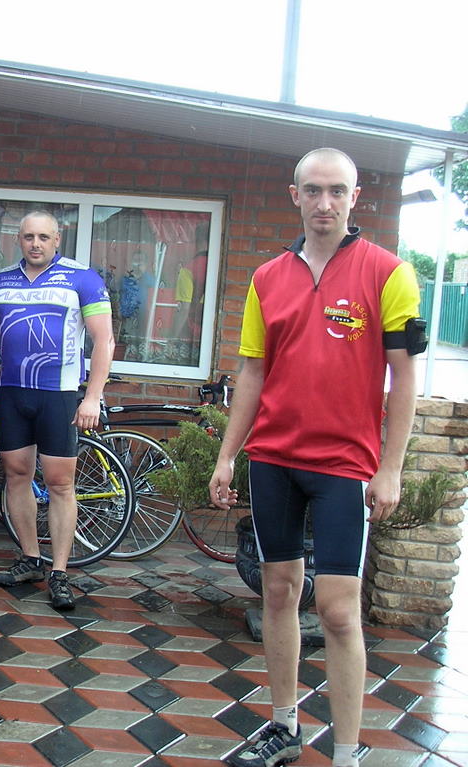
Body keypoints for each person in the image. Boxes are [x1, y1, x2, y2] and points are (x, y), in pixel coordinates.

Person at [209, 148, 422, 767]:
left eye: (336, 191)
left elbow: (404, 378)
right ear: (295, 195)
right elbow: (252, 370)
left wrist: (391, 467)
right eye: (312, 190)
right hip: (274, 459)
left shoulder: (389, 273)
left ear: (355, 198)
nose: (324, 202)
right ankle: (284, 728)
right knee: (278, 593)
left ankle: (347, 752)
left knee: (337, 611)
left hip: (343, 467)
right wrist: (228, 455)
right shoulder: (267, 277)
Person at [0, 211, 114, 611]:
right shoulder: (0, 281)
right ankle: (30, 558)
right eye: (28, 237)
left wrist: (92, 396)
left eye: (43, 237)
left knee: (60, 484)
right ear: (18, 239)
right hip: (12, 393)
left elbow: (104, 340)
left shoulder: (82, 279)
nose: (35, 244)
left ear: (57, 239)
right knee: (16, 475)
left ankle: (59, 572)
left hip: (58, 395)